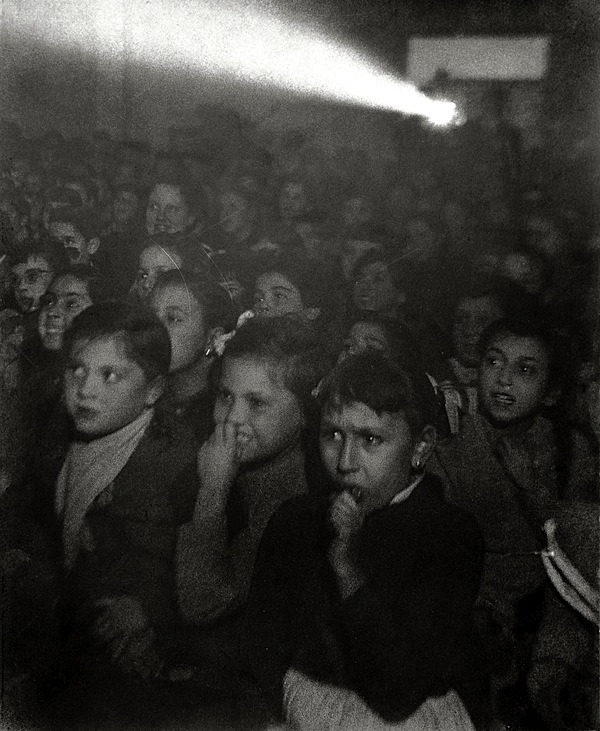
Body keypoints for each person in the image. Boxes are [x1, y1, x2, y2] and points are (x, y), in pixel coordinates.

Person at [241, 351, 486, 730]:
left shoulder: (449, 534)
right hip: (302, 711)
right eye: (333, 435)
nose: (344, 462)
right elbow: (263, 648)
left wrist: (345, 565)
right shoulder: (295, 519)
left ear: (421, 447)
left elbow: (396, 692)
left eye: (370, 439)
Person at [32, 302, 200, 726]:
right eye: (76, 370)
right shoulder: (65, 435)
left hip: (130, 642)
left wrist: (144, 605)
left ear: (153, 390)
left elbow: (163, 560)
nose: (85, 390)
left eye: (111, 375)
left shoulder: (166, 458)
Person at [429, 315, 599, 726]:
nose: (503, 380)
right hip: (466, 590)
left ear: (551, 391)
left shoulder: (568, 447)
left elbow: (575, 544)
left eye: (524, 370)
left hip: (544, 601)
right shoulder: (454, 426)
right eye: (493, 362)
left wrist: (531, 487)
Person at [176, 316, 330, 627]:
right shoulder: (214, 455)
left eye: (257, 403)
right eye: (225, 396)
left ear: (304, 413)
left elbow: (204, 606)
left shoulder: (290, 499)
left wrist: (213, 490)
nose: (232, 417)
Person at [150, 268, 236, 440]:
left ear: (213, 337)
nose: (155, 329)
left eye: (173, 318)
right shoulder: (139, 394)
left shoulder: (222, 416)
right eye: (152, 316)